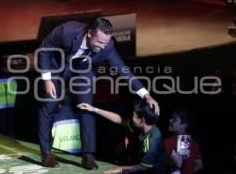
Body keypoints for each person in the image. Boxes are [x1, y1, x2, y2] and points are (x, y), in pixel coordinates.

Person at [37, 18, 159, 169]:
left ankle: (88, 155)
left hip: (83, 70)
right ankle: (46, 153)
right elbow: (44, 48)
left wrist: (146, 95)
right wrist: (47, 79)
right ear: (89, 34)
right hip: (56, 67)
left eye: (106, 43)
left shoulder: (107, 46)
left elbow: (123, 70)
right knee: (50, 105)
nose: (103, 47)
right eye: (100, 42)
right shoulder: (66, 32)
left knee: (86, 107)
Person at [77, 101, 168, 174]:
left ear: (141, 121)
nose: (131, 117)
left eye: (133, 116)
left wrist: (118, 170)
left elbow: (142, 167)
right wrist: (93, 109)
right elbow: (118, 119)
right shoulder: (141, 126)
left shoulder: (152, 140)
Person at [164, 108, 203, 174]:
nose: (170, 120)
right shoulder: (193, 142)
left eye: (174, 119)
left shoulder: (184, 140)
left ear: (183, 126)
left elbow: (182, 166)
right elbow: (199, 165)